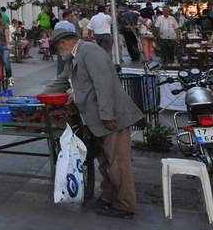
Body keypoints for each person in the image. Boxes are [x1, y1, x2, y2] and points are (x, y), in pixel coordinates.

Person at [46, 28, 144, 219]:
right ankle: (108, 197)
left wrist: (107, 115)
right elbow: (61, 82)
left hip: (112, 116)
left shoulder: (89, 51)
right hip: (96, 119)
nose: (58, 53)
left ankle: (125, 205)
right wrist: (37, 98)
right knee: (105, 161)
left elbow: (104, 84)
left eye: (57, 49)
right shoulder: (74, 57)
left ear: (63, 44)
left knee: (118, 163)